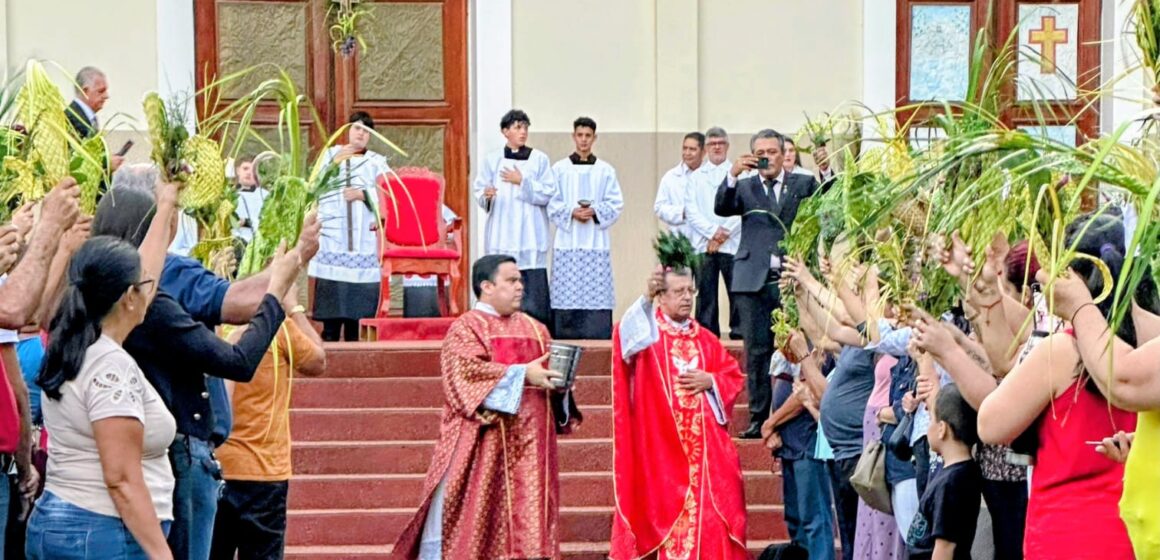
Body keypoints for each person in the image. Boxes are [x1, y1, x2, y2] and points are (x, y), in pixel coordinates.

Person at [92, 183, 308, 560]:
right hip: (175, 452)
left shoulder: (85, 295)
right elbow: (238, 361)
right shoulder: (151, 309)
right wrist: (278, 293)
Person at [390, 255, 580, 559]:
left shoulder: (537, 329)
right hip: (485, 445)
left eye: (520, 280)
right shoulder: (467, 328)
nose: (520, 287)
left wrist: (562, 388)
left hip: (533, 449)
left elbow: (551, 383)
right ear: (486, 286)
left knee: (530, 525)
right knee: (479, 523)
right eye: (511, 280)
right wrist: (521, 374)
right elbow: (463, 380)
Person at [26, 179, 177, 559]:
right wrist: (161, 553)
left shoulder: (74, 344)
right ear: (128, 298)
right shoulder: (111, 367)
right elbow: (122, 480)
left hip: (64, 519)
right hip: (104, 530)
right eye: (144, 286)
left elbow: (147, 274)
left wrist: (166, 206)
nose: (151, 290)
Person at [977, 213, 1137, 559]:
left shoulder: (1063, 351)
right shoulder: (1148, 343)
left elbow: (990, 424)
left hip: (1066, 533)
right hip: (1135, 532)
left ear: (1073, 276)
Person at [609, 265, 747, 559]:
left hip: (707, 460)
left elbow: (733, 376)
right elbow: (625, 337)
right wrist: (644, 297)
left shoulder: (706, 339)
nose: (687, 298)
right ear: (661, 297)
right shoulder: (648, 334)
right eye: (678, 292)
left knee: (714, 520)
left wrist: (711, 381)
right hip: (663, 454)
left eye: (690, 291)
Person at [210, 278, 326, 560]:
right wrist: (293, 306)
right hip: (263, 471)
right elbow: (317, 360)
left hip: (215, 466)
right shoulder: (277, 328)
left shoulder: (211, 327)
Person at [715, 129, 819, 438]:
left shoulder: (801, 183)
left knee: (802, 344)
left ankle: (802, 406)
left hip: (790, 279)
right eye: (760, 152)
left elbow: (825, 198)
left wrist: (826, 163)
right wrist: (732, 173)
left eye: (772, 152)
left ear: (784, 154)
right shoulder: (745, 187)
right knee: (756, 350)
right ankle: (758, 417)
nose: (767, 157)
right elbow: (721, 206)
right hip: (752, 280)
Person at [308, 111, 391, 342]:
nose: (361, 134)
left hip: (362, 238)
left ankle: (355, 338)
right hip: (335, 237)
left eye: (366, 131)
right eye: (357, 128)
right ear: (348, 131)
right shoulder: (331, 155)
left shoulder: (376, 161)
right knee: (333, 296)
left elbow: (388, 194)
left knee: (358, 304)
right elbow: (313, 186)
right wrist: (333, 165)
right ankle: (330, 336)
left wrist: (364, 194)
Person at [473, 110, 556, 326]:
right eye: (518, 127)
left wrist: (523, 181)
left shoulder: (539, 159)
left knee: (532, 288)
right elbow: (480, 190)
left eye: (525, 127)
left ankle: (535, 328)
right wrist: (486, 195)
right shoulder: (492, 160)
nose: (523, 132)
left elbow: (548, 192)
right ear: (505, 131)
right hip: (503, 230)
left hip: (530, 232)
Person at [547, 116, 623, 339]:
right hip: (568, 240)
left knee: (596, 293)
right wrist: (571, 211)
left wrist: (595, 211)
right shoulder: (559, 169)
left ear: (594, 138)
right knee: (566, 293)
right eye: (579, 135)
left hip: (595, 241)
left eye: (588, 136)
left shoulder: (605, 170)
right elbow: (551, 201)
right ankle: (566, 333)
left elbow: (616, 202)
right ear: (573, 136)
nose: (583, 140)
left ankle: (596, 335)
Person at [905, 384, 983, 560]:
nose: (928, 427)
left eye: (931, 419)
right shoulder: (956, 474)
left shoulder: (952, 484)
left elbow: (945, 548)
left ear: (942, 429)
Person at [686, 127, 741, 339]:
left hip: (732, 243)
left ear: (727, 146)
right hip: (704, 243)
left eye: (720, 143)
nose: (716, 147)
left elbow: (742, 209)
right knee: (705, 293)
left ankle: (739, 333)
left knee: (736, 291)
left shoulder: (738, 173)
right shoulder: (696, 177)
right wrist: (712, 233)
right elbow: (691, 210)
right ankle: (706, 335)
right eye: (712, 144)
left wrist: (724, 233)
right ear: (706, 148)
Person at [65, 67, 124, 171]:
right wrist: (106, 165)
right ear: (85, 91)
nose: (106, 96)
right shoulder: (71, 118)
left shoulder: (90, 117)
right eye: (101, 91)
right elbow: (77, 162)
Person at [653, 132, 704, 240]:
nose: (687, 153)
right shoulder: (670, 177)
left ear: (704, 152)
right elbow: (659, 208)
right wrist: (682, 212)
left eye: (692, 149)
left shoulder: (710, 176)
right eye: (684, 148)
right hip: (679, 242)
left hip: (706, 243)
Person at [233, 156, 266, 248]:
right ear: (238, 170)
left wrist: (246, 222)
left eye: (253, 170)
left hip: (256, 245)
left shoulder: (265, 196)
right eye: (245, 168)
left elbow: (268, 222)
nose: (248, 173)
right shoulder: (227, 195)